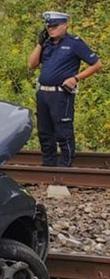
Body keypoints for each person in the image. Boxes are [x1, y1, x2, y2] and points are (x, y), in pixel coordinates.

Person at [28, 11, 103, 167]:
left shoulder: (74, 43)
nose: (51, 29)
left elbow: (96, 64)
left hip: (61, 94)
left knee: (63, 130)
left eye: (54, 26)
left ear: (64, 25)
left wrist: (76, 78)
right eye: (48, 26)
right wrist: (39, 43)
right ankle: (48, 164)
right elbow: (32, 64)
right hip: (43, 92)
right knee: (44, 131)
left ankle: (65, 165)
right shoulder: (47, 43)